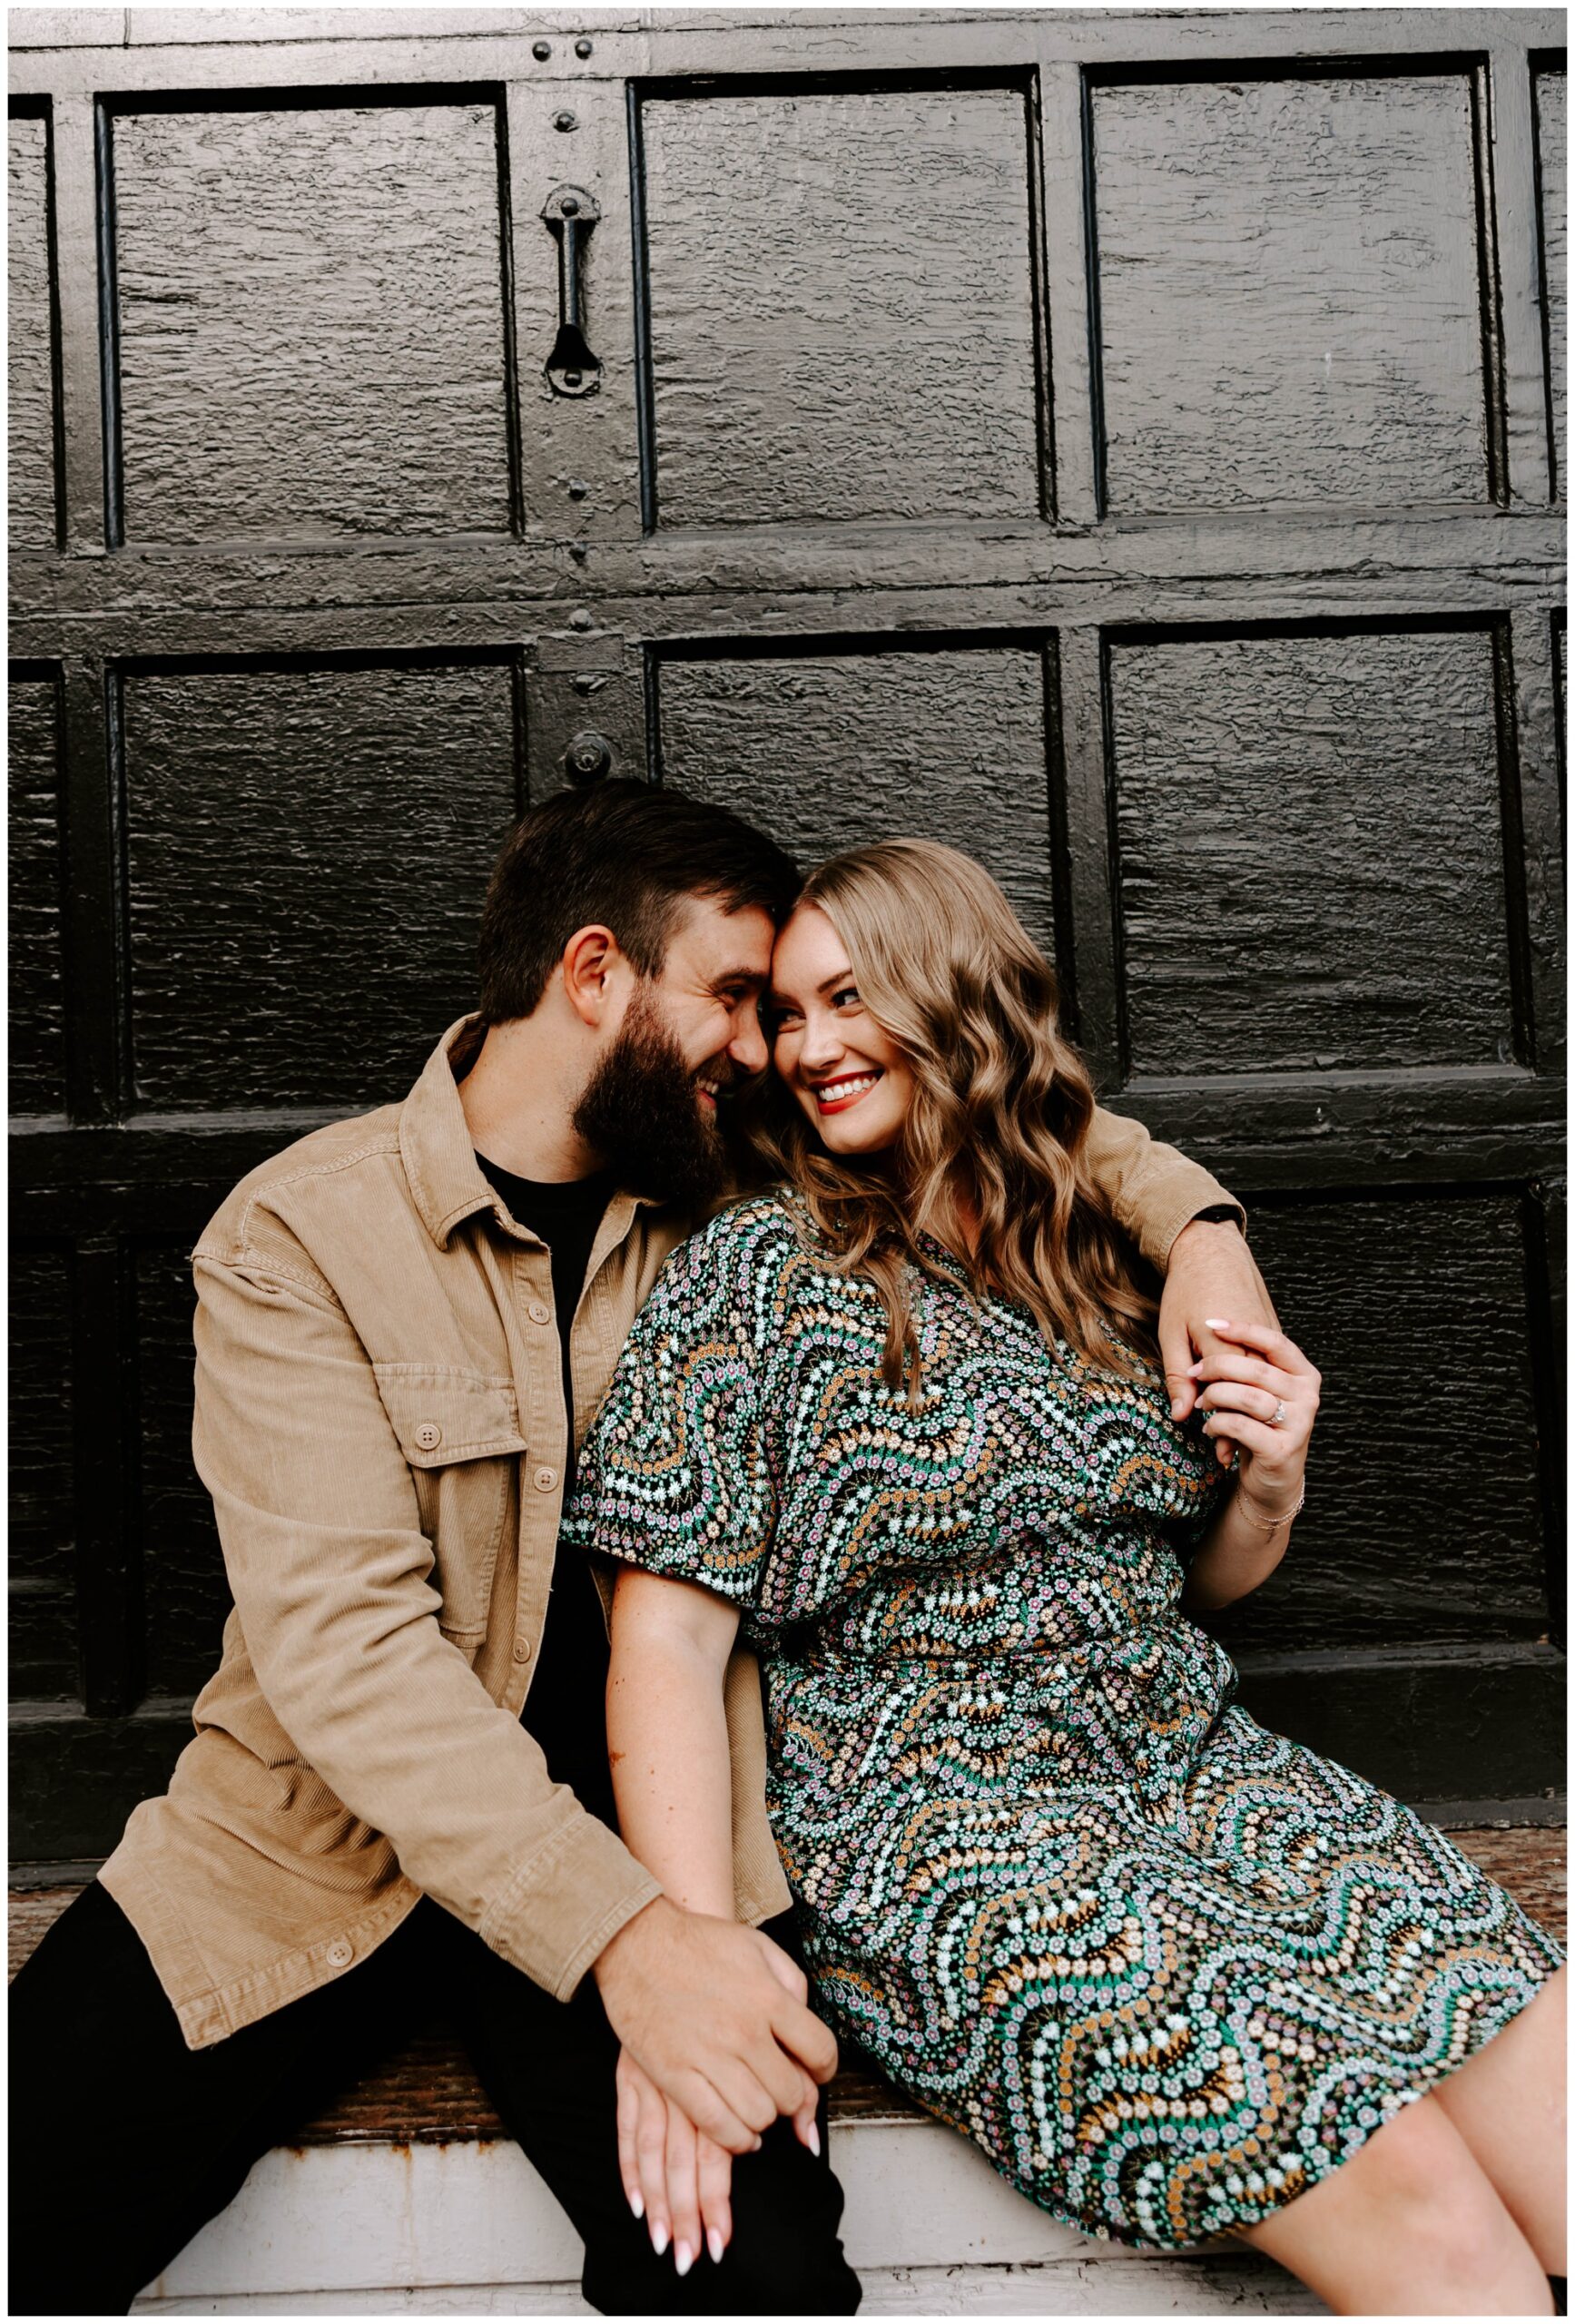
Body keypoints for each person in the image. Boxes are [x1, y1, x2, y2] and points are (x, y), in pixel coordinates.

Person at [8, 786, 1271, 2319]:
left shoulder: (738, 1179)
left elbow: (1004, 1106)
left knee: (750, 2277)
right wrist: (633, 1954)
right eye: (736, 998)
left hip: (647, 1822)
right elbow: (348, 1662)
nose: (768, 1048)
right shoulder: (299, 1237)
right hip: (320, 1836)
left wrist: (1202, 1228)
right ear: (596, 973)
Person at [564, 837, 1568, 2319]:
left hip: (1201, 1775)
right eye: (786, 1013)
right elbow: (659, 1648)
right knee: (1423, 2206)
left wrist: (1270, 1481)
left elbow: (1195, 1585)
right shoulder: (759, 1272)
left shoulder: (1097, 1245)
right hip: (949, 1830)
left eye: (851, 999)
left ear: (954, 994)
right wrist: (696, 1970)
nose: (811, 1047)